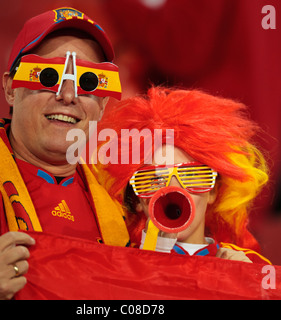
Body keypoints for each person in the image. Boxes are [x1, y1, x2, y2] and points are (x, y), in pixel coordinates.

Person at [0, 7, 130, 300]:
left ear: (101, 106)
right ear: (11, 88)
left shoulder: (123, 206)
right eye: (47, 76)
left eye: (88, 82)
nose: (67, 95)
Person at [92, 86, 271, 264]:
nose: (174, 189)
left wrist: (246, 281)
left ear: (213, 191)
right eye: (154, 179)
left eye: (190, 174)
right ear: (137, 200)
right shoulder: (117, 264)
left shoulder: (247, 264)